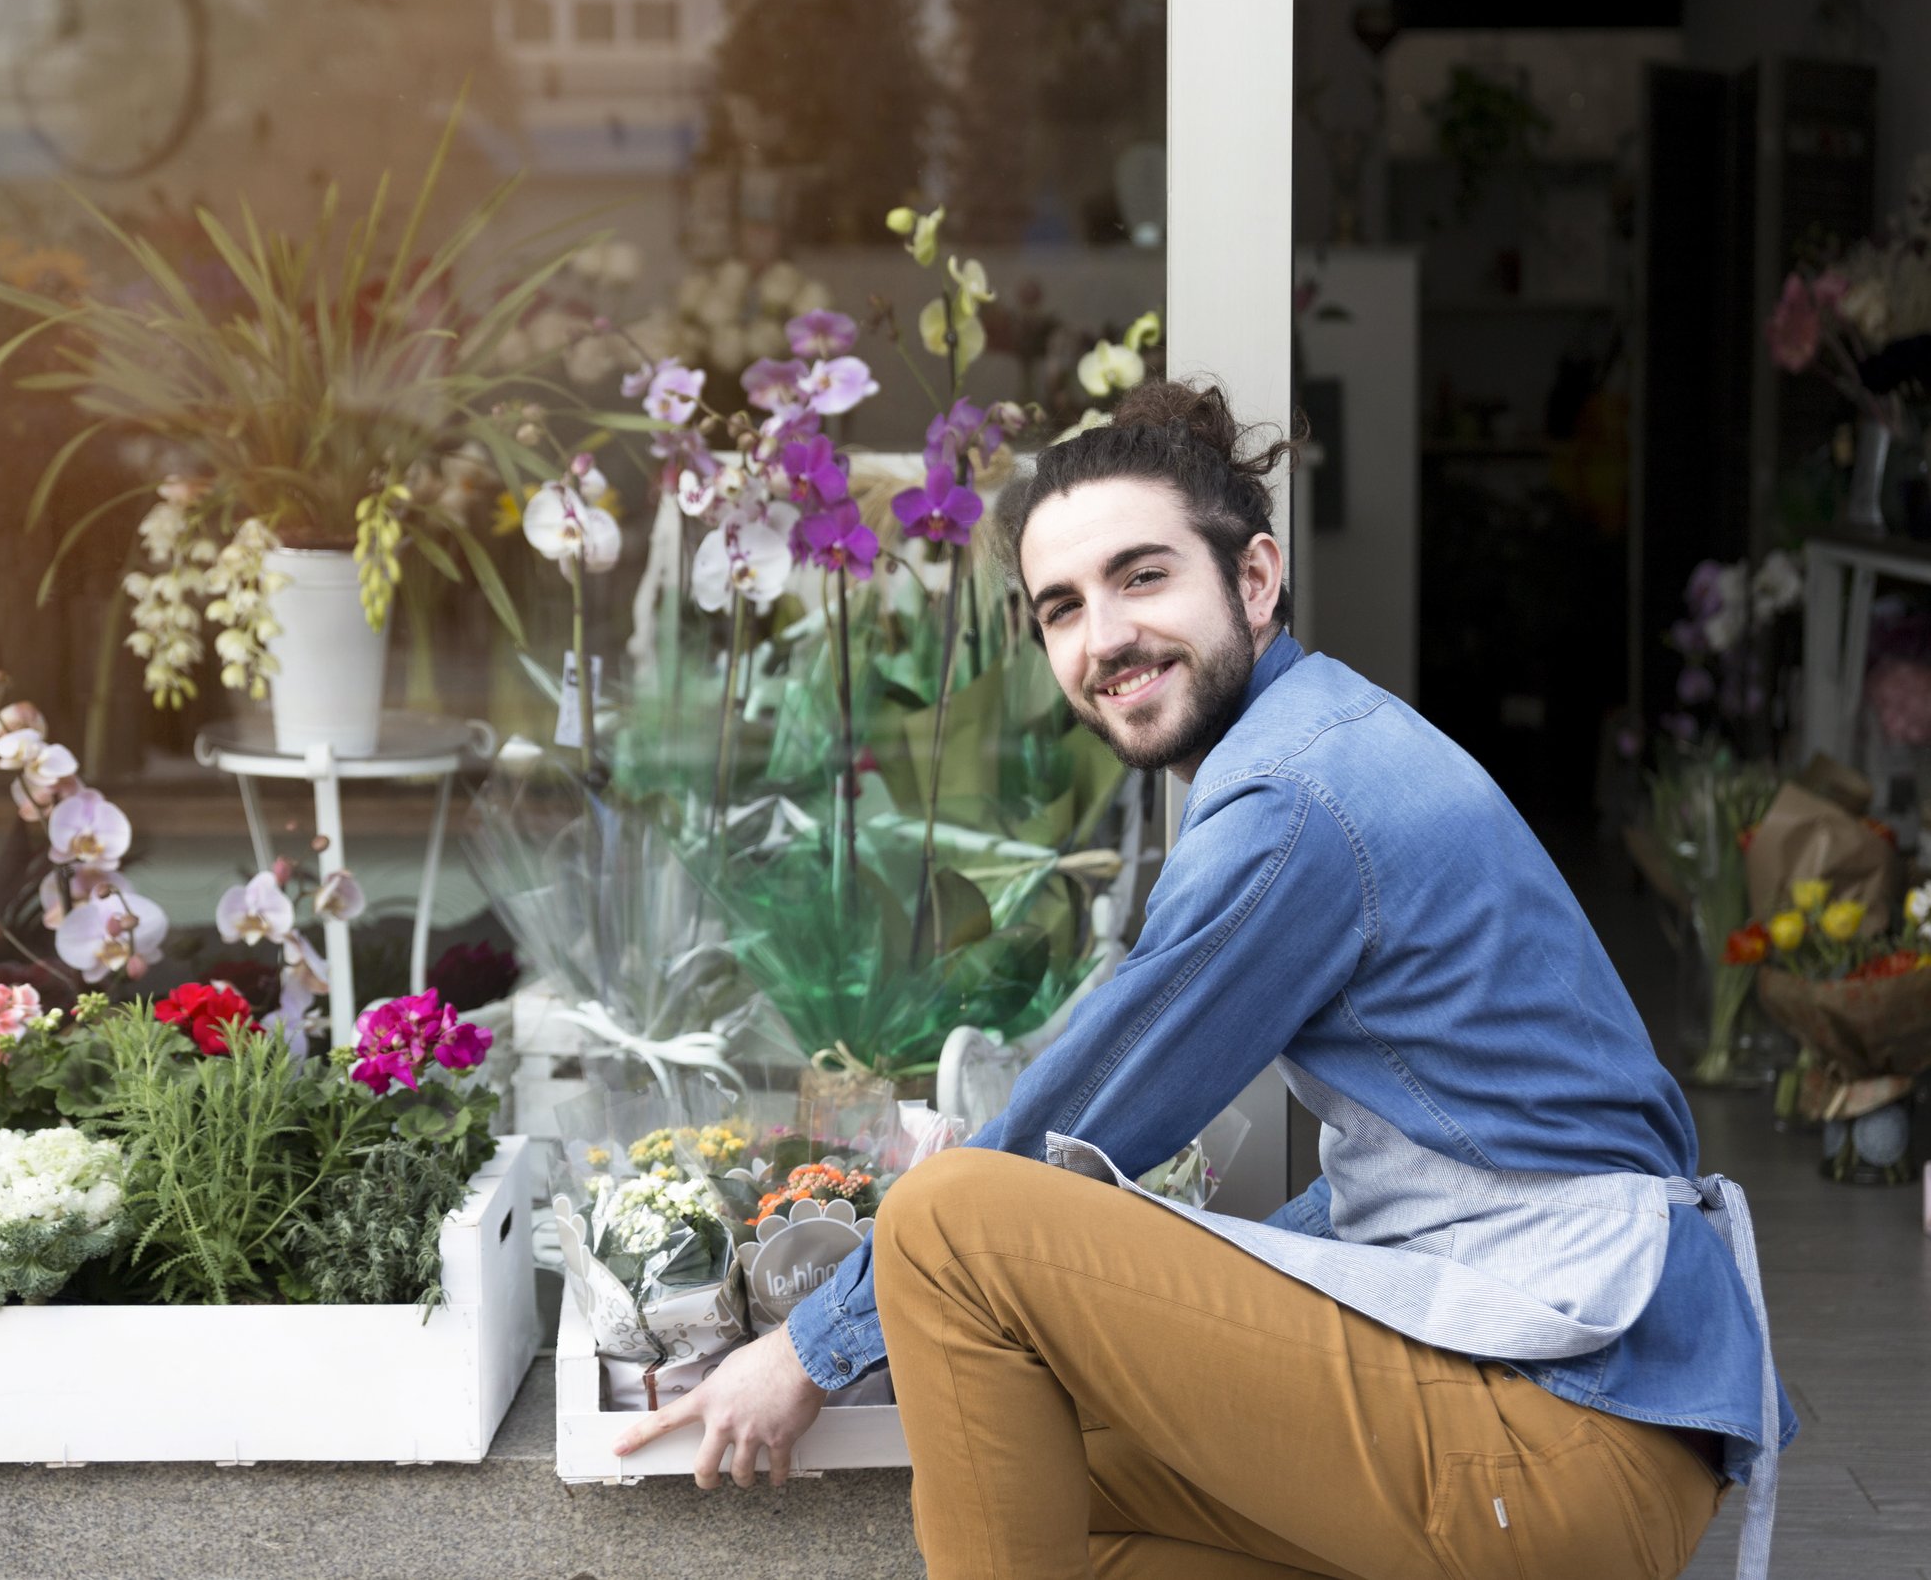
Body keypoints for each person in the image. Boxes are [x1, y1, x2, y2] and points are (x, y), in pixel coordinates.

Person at [615, 378, 1790, 1580]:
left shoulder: (1293, 804)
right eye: (1061, 607)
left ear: (1256, 578)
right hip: (1585, 1408)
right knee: (1052, 1472)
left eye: (1141, 576)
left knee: (943, 1218)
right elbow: (1433, 1173)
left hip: (1557, 1429)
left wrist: (807, 1348)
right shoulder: (1328, 742)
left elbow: (1082, 1115)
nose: (1103, 637)